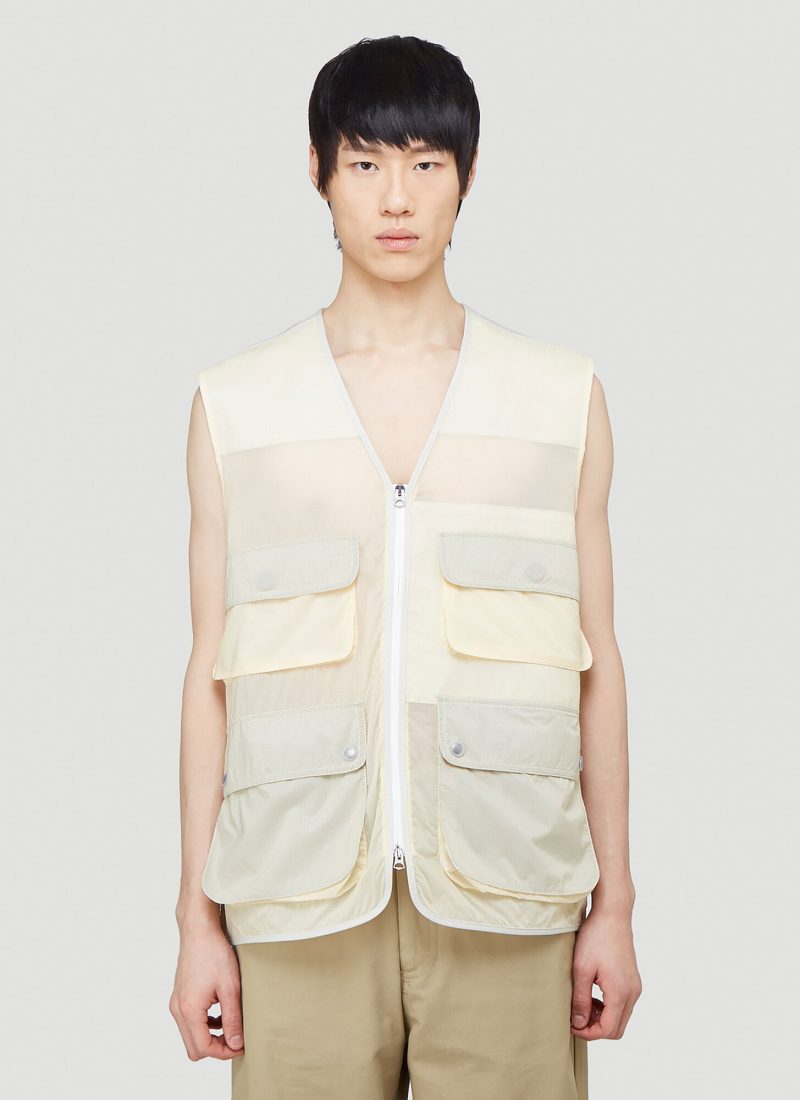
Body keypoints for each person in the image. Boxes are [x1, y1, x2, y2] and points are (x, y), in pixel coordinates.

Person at [170, 33, 641, 1100]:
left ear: (466, 177)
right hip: (295, 905)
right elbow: (209, 678)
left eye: (426, 163)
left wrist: (613, 904)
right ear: (318, 172)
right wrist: (196, 922)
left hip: (509, 895)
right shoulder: (235, 406)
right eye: (365, 162)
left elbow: (597, 667)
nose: (396, 198)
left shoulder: (558, 399)